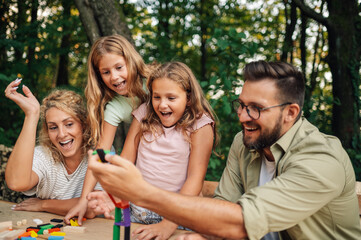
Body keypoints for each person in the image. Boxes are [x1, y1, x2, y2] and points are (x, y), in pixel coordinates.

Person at [86, 60, 361, 239]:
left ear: (290, 113)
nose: (242, 117)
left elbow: (241, 223)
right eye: (241, 105)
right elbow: (223, 204)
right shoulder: (246, 144)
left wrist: (140, 192)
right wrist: (200, 236)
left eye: (255, 108)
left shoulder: (321, 160)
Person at [88, 61, 219, 240]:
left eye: (171, 98)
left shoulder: (200, 125)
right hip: (137, 212)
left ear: (188, 97)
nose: (162, 105)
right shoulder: (144, 113)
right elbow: (125, 162)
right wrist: (112, 194)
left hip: (178, 215)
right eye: (157, 97)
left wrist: (168, 224)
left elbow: (195, 181)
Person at [64, 34, 149, 224]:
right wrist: (83, 200)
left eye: (119, 67)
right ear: (99, 76)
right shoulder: (115, 107)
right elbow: (100, 153)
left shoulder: (153, 83)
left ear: (131, 61)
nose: (115, 77)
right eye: (106, 72)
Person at [4, 79, 100, 216]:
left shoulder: (100, 151)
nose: (62, 134)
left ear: (83, 124)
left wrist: (43, 204)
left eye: (69, 124)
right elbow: (16, 183)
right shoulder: (44, 154)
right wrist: (32, 115)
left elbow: (93, 206)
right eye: (53, 127)